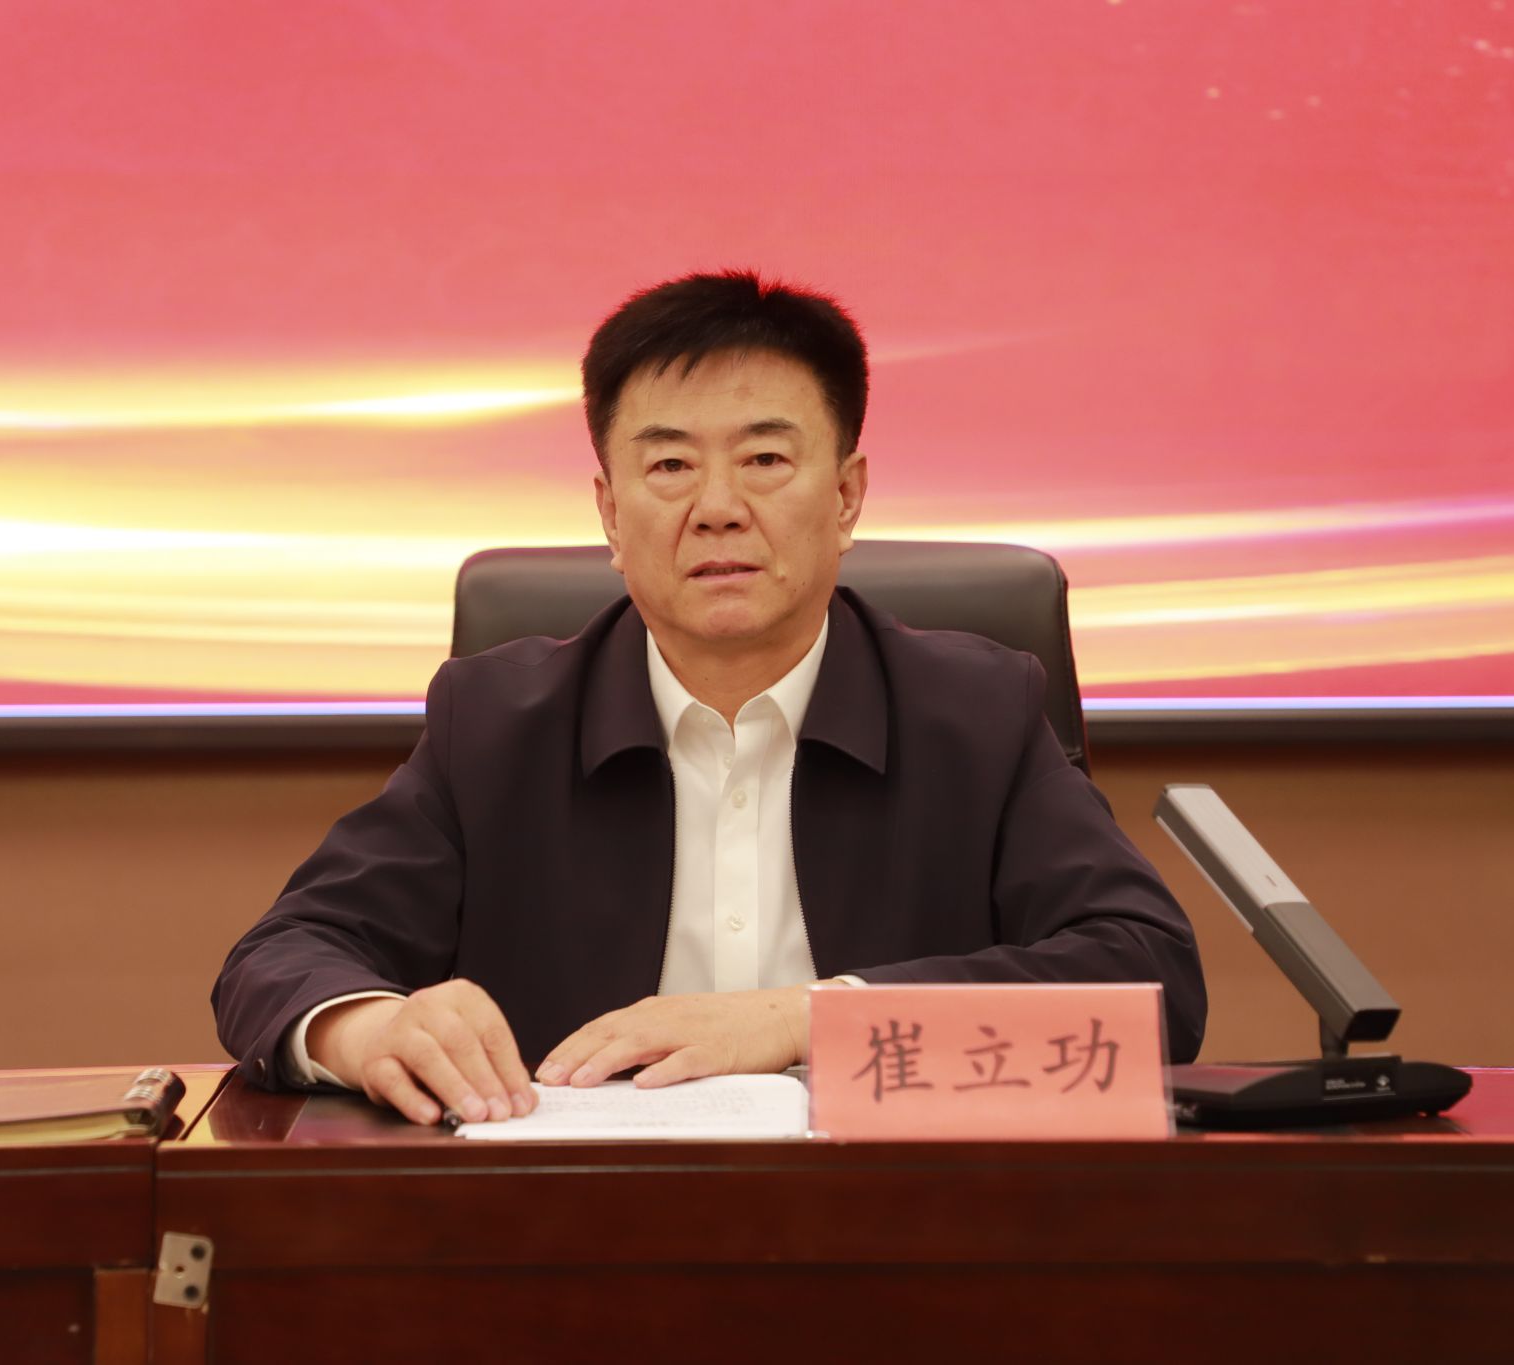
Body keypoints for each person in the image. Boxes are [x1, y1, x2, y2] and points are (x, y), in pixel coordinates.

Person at [213, 270, 1206, 1123]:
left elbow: (1148, 977)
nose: (718, 508)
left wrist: (805, 1017)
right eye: (669, 466)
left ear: (846, 495)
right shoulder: (499, 724)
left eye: (765, 460)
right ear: (610, 510)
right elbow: (285, 953)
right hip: (575, 1231)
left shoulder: (975, 713)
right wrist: (368, 1028)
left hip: (898, 1224)